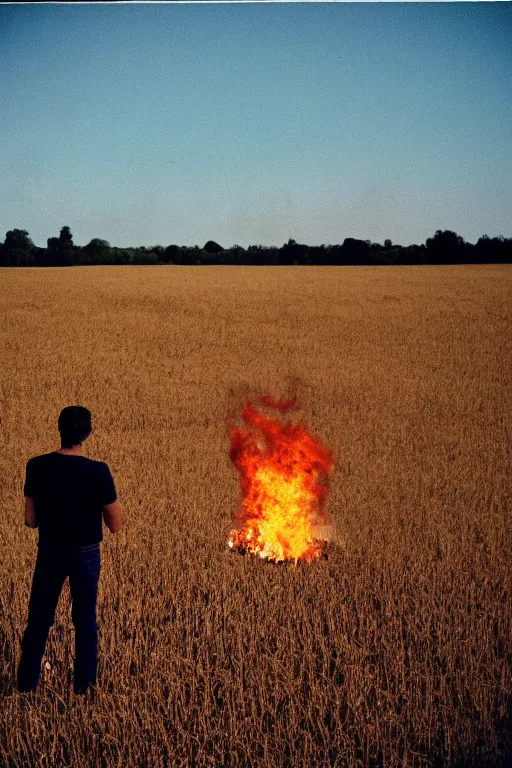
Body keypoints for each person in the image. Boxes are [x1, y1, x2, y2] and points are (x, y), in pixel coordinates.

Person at [17, 406, 123, 697]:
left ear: (59, 430)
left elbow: (30, 520)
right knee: (85, 621)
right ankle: (85, 688)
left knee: (39, 619)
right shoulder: (98, 471)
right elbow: (115, 525)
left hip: (50, 551)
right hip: (86, 554)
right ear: (87, 434)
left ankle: (26, 684)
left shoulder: (36, 465)